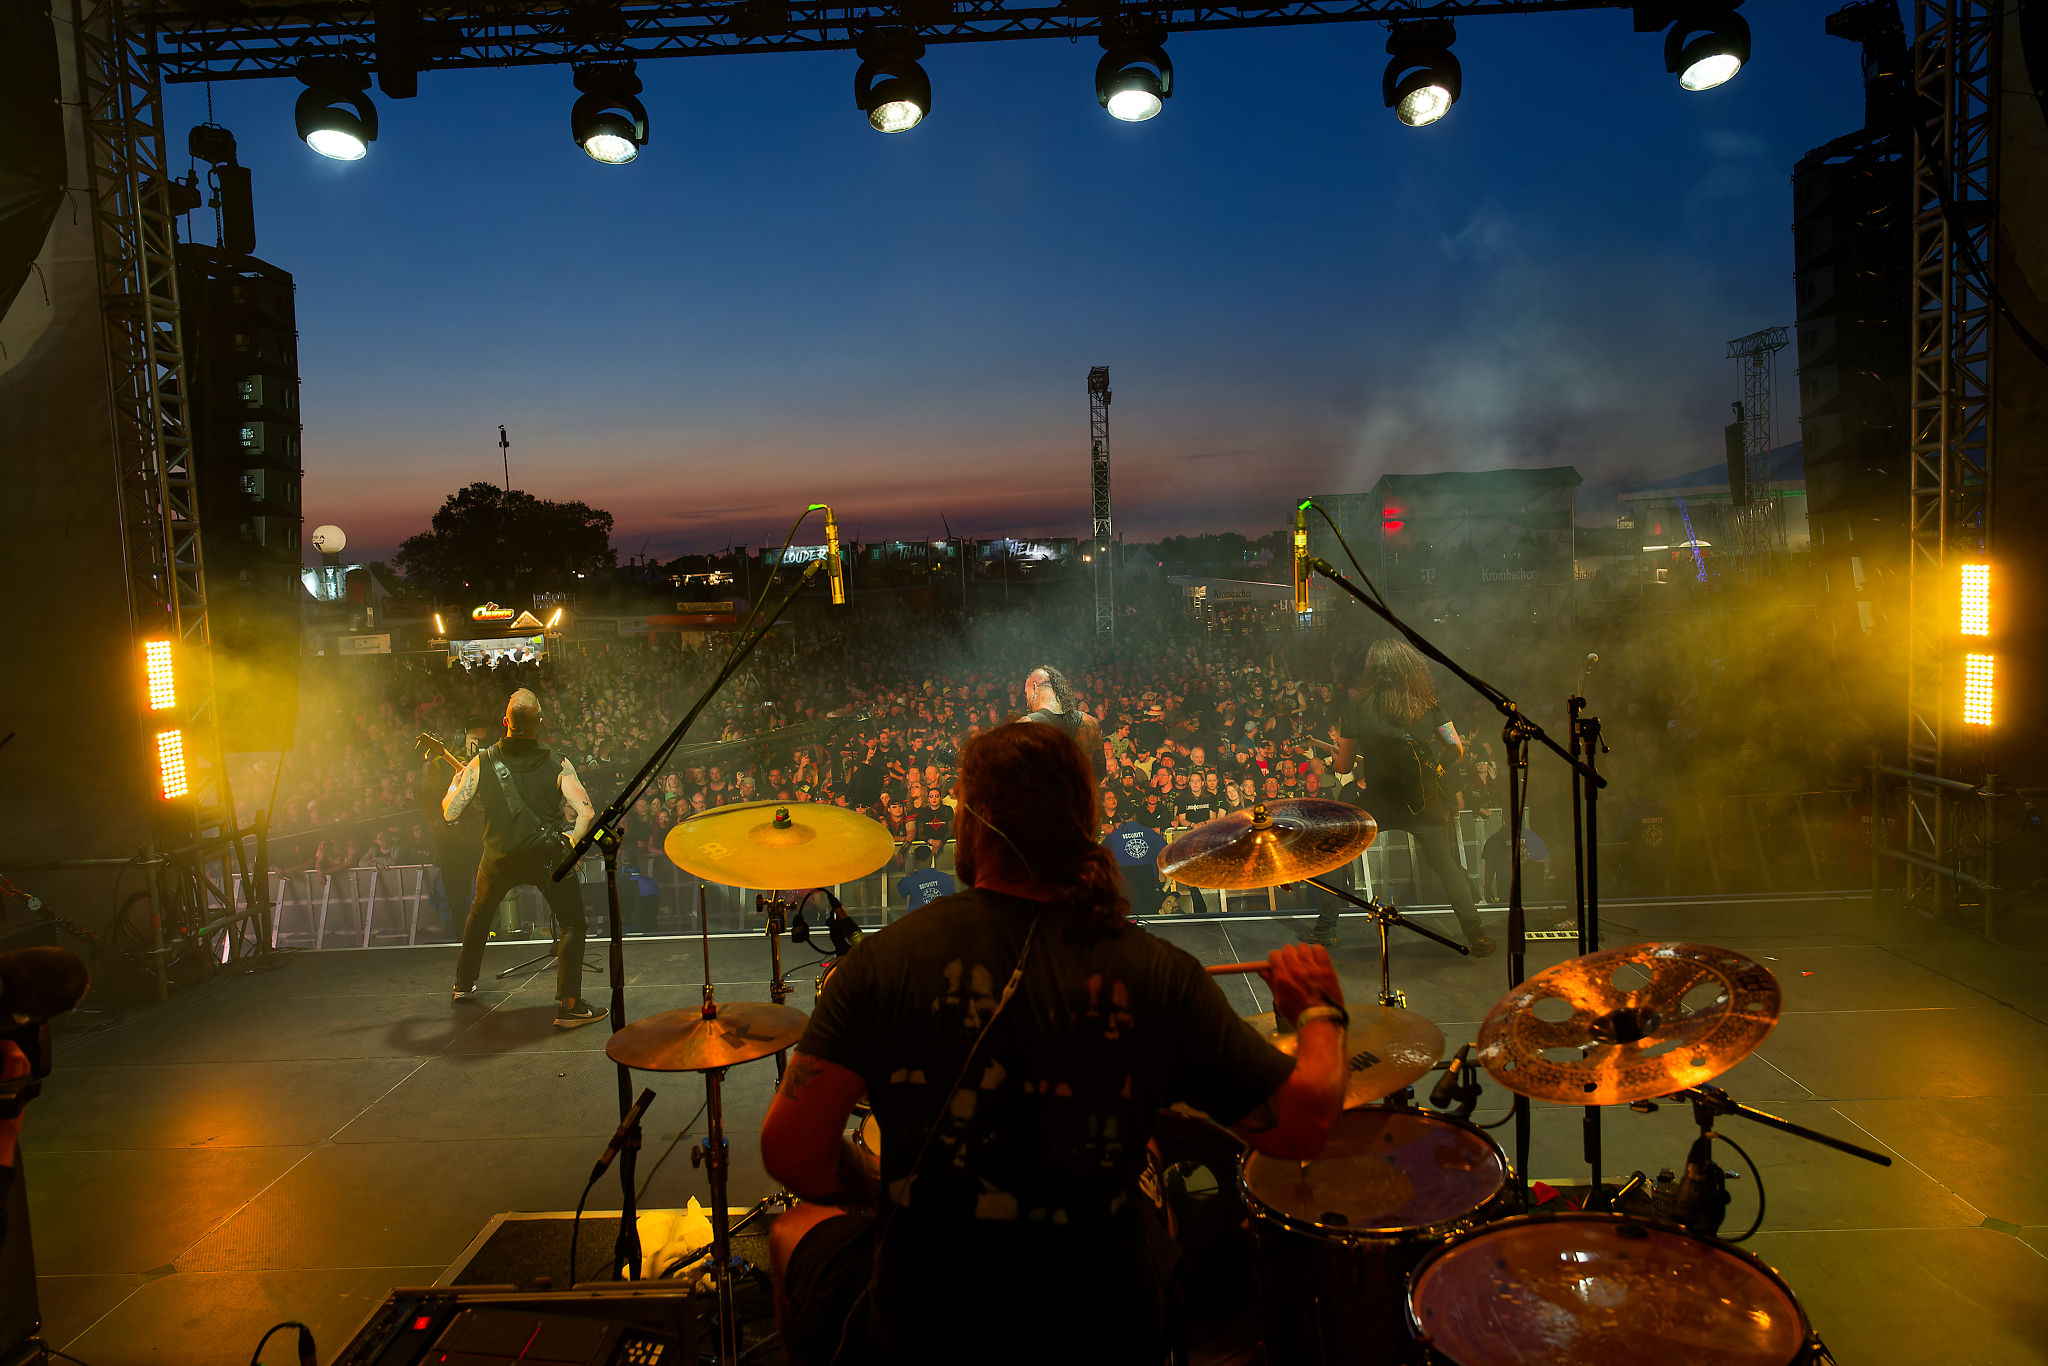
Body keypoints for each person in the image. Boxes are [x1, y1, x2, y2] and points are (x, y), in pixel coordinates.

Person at [760, 722, 1347, 1366]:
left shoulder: (882, 963)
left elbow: (792, 1152)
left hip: (925, 1325)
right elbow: (1301, 1127)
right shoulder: (1154, 971)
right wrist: (1319, 1010)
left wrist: (872, 1187)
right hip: (1103, 1325)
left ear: (978, 822)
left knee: (792, 1231)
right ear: (1081, 822)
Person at [444, 688, 607, 1026]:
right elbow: (587, 812)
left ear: (505, 722)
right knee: (573, 923)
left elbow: (451, 813)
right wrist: (572, 843)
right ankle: (570, 1005)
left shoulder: (481, 761)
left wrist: (453, 786)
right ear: (540, 724)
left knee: (479, 917)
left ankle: (463, 984)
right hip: (546, 857)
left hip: (498, 859)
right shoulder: (557, 761)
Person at [1326, 639, 1492, 956]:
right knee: (1446, 865)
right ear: (1410, 669)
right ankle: (1477, 933)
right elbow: (1455, 748)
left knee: (1337, 848)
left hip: (1378, 799)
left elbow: (1344, 765)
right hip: (1423, 799)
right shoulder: (1429, 703)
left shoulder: (1356, 707)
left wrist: (1335, 759)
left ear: (1372, 670)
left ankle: (1324, 931)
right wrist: (1434, 767)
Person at [1021, 665, 1104, 779]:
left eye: (1027, 695)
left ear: (1034, 688)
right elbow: (1100, 770)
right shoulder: (1090, 723)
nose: (1027, 703)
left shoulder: (1026, 725)